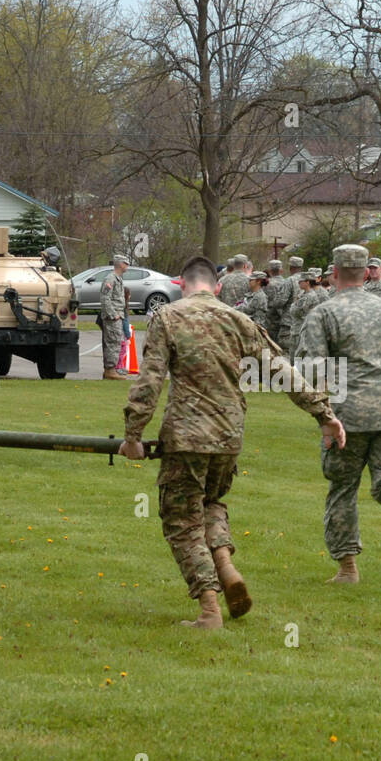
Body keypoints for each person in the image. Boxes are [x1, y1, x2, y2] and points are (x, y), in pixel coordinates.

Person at [121, 256, 345, 629]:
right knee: (211, 503)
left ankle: (209, 609)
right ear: (218, 286)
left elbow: (150, 382)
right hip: (228, 438)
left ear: (180, 284)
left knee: (181, 520)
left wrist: (132, 435)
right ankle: (224, 563)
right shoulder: (239, 320)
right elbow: (281, 371)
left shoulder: (168, 318)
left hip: (187, 437)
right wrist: (324, 414)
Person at [297, 244, 381, 585]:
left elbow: (309, 370)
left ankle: (347, 569)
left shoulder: (325, 313)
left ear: (334, 272)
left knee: (343, 487)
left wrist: (324, 411)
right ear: (366, 271)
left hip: (348, 415)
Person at [100, 255, 131, 380]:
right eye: (126, 263)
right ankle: (110, 370)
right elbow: (105, 298)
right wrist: (114, 315)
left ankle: (110, 370)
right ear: (120, 264)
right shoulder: (111, 278)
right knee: (113, 342)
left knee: (116, 342)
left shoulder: (118, 278)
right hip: (112, 317)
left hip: (118, 315)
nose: (127, 265)